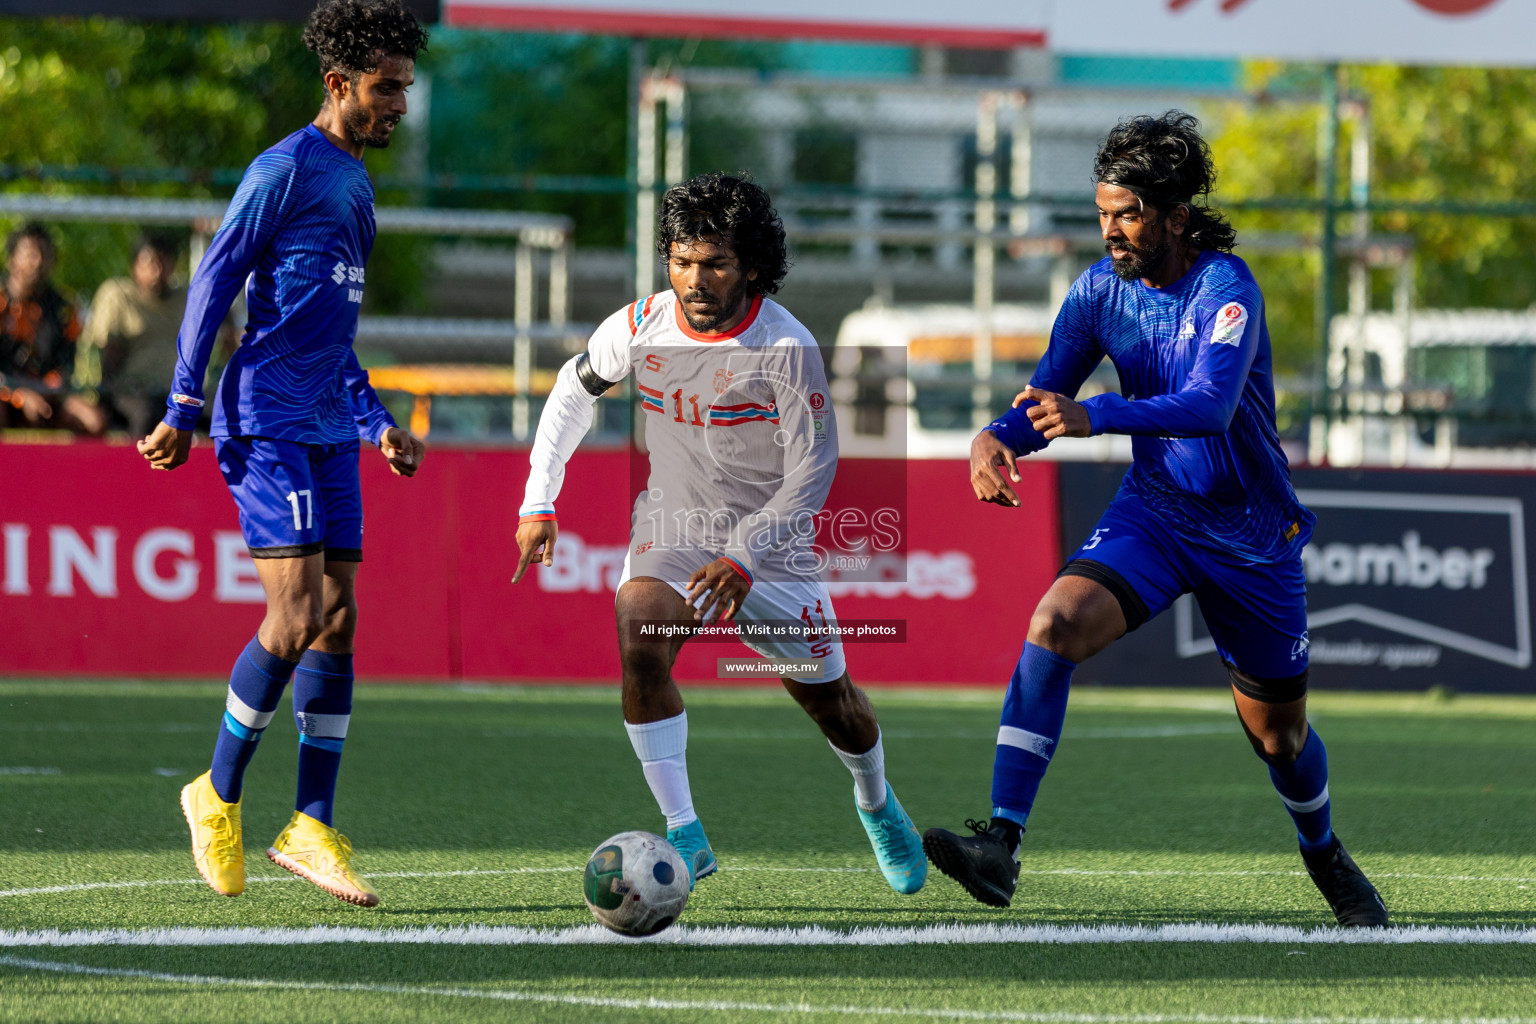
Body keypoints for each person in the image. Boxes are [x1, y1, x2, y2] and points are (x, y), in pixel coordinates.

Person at [921, 112, 1389, 928]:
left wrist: (1095, 417)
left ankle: (1324, 854)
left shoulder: (1226, 288)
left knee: (1279, 738)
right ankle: (1001, 842)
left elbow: (1209, 407)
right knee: (1053, 625)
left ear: (1176, 215)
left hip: (1251, 534)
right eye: (1104, 212)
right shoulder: (1098, 292)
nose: (1112, 230)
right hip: (1158, 515)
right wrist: (995, 439)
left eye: (1128, 213)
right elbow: (1042, 402)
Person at [512, 171, 927, 895]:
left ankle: (876, 802)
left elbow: (815, 467)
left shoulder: (785, 346)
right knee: (639, 627)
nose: (693, 279)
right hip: (673, 527)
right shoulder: (640, 324)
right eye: (680, 260)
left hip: (772, 549)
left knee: (836, 706)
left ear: (753, 267)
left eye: (714, 264)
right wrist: (538, 499)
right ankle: (684, 831)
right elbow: (571, 393)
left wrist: (746, 554)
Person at [137, 0, 428, 907]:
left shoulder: (358, 183)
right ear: (338, 85)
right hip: (264, 417)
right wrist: (184, 399)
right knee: (297, 609)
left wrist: (374, 417)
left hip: (330, 425)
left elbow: (326, 330)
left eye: (406, 90)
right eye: (386, 89)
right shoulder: (285, 169)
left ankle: (309, 826)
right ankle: (215, 794)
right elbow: (216, 278)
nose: (399, 106)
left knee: (338, 617)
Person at [79, 232, 239, 438]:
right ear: (134, 267)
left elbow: (223, 308)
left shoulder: (186, 297)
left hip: (179, 392)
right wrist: (105, 394)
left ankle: (220, 469)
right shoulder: (118, 295)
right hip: (132, 390)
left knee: (225, 412)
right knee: (146, 415)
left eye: (163, 263)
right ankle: (137, 468)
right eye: (149, 264)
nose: (157, 271)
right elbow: (103, 350)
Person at [0, 222, 105, 434]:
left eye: (44, 255)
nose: (37, 262)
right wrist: (20, 396)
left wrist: (43, 392)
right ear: (12, 259)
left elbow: (66, 365)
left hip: (48, 398)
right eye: (29, 254)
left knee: (94, 421)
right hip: (5, 395)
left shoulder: (65, 308)